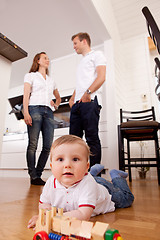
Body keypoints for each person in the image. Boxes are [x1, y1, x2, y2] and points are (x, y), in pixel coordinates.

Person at [28, 135, 134, 228]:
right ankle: (93, 172)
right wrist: (44, 215)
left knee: (126, 198)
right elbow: (45, 204)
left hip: (105, 191)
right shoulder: (51, 182)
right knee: (81, 175)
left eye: (75, 159)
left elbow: (83, 215)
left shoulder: (88, 184)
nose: (67, 165)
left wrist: (53, 219)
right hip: (83, 178)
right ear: (51, 166)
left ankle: (116, 176)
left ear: (86, 166)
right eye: (60, 159)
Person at [23, 52, 61, 186]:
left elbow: (58, 97)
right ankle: (33, 176)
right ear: (38, 61)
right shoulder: (31, 76)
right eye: (45, 58)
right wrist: (25, 112)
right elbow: (26, 95)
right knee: (33, 144)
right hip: (34, 110)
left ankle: (38, 174)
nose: (47, 60)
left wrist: (55, 105)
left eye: (48, 58)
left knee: (47, 146)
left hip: (48, 112)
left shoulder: (51, 80)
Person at [69, 32, 106, 168]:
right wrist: (73, 98)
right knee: (73, 141)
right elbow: (80, 83)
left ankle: (95, 176)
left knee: (91, 138)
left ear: (84, 41)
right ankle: (76, 172)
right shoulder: (81, 62)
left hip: (90, 102)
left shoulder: (97, 55)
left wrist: (88, 93)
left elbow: (101, 77)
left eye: (75, 43)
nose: (74, 47)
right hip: (77, 104)